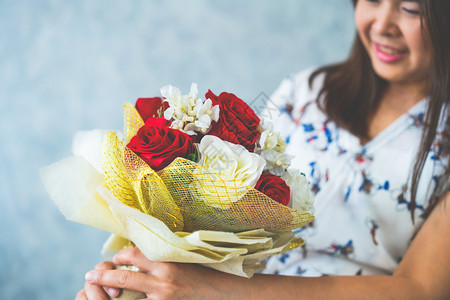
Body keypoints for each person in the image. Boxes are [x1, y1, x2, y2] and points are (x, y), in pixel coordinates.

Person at [76, 0, 450, 298]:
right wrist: (146, 277)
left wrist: (226, 293)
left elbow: (420, 289)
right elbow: (227, 216)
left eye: (411, 8)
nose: (382, 24)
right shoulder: (307, 91)